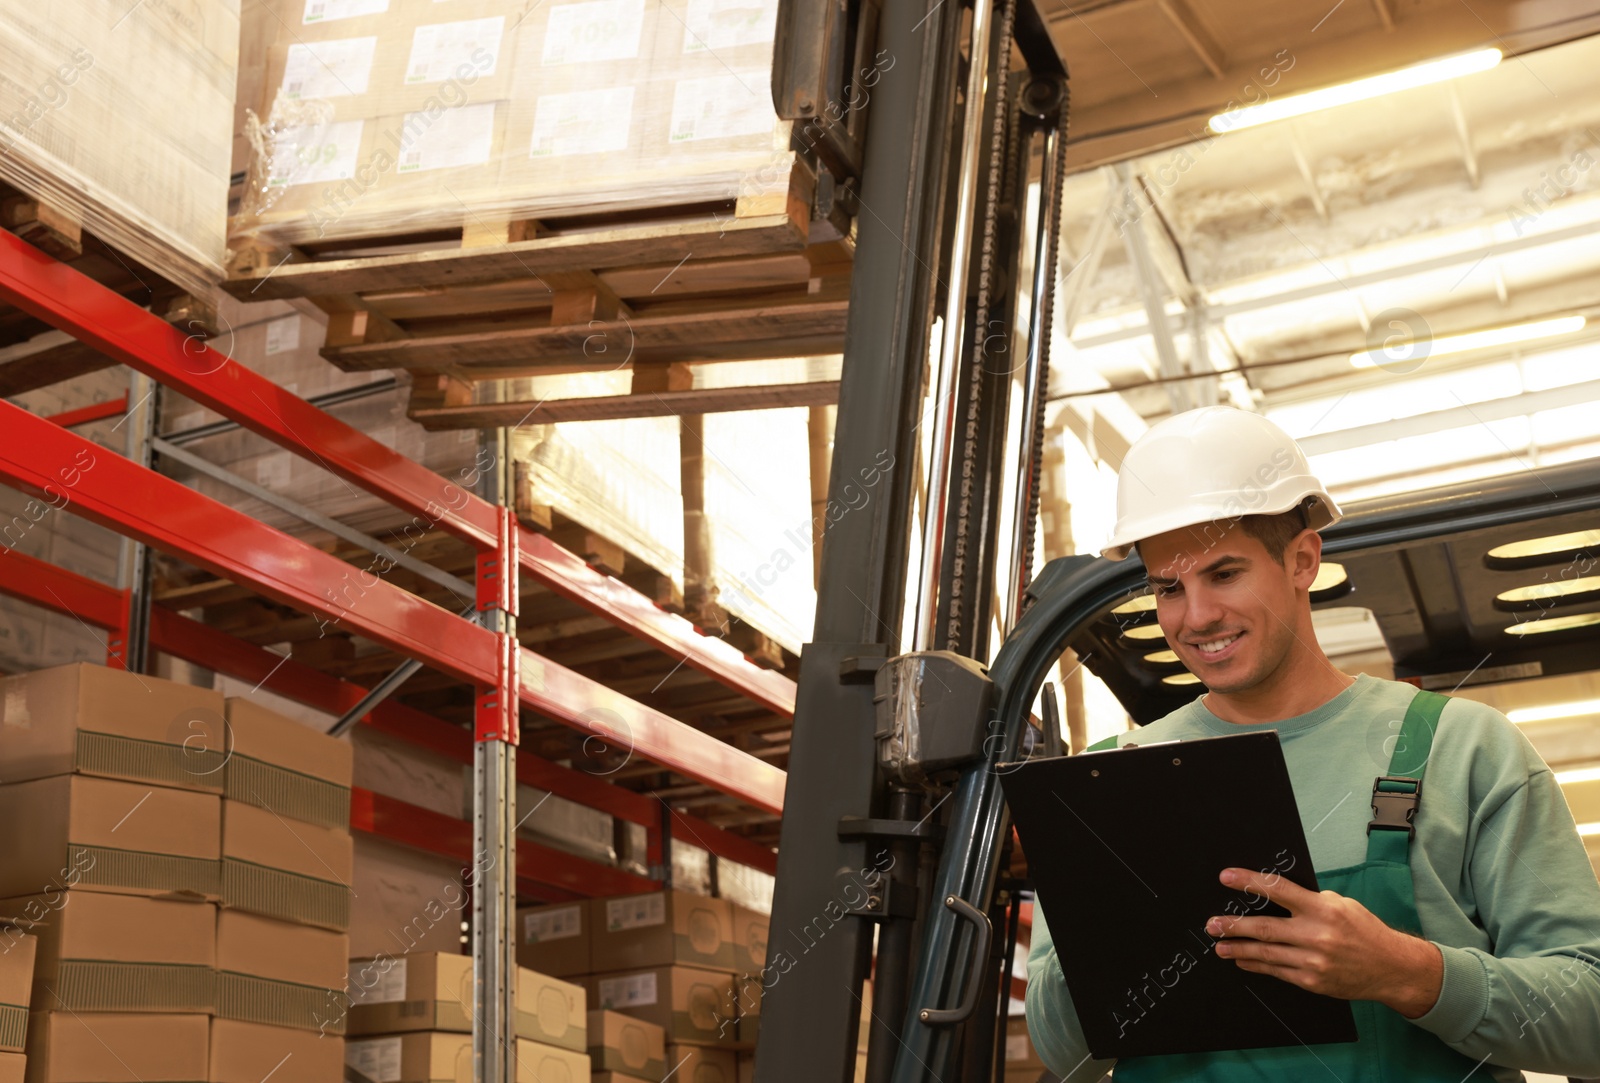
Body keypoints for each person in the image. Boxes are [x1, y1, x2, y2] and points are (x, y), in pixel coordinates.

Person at [1024, 406, 1600, 1083]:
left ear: (1303, 559)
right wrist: (1109, 920)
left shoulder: (1463, 748)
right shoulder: (1106, 778)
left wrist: (1410, 973)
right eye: (1169, 588)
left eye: (1225, 573)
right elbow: (1064, 1056)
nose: (1196, 616)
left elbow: (1588, 1018)